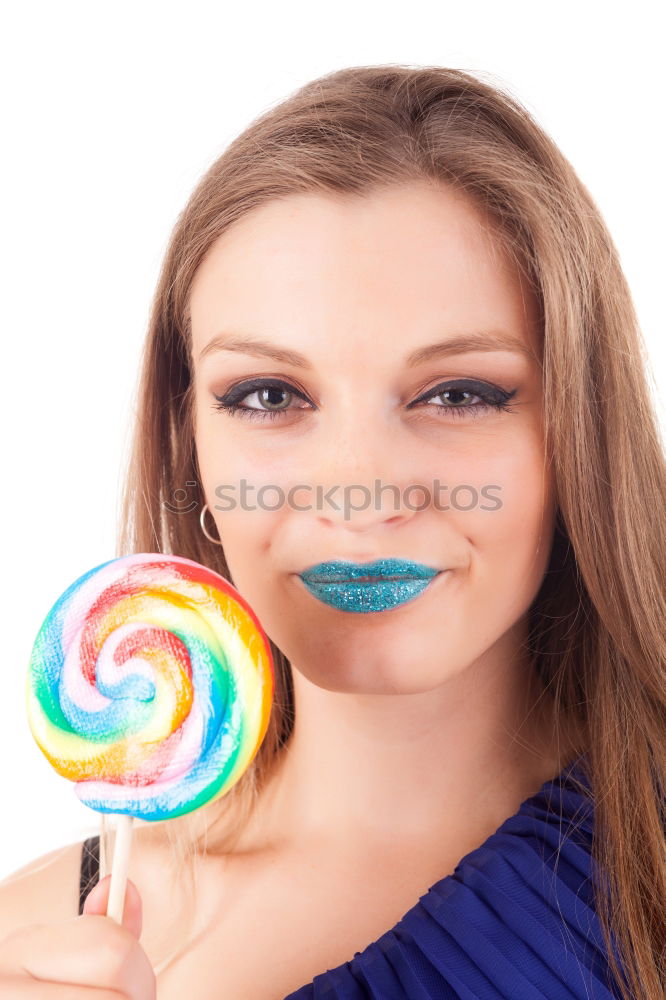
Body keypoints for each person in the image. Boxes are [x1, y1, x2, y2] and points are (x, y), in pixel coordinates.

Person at [0, 64, 663, 1000]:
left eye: (460, 393)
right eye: (269, 396)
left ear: (580, 439)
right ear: (193, 444)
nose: (358, 491)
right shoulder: (32, 942)